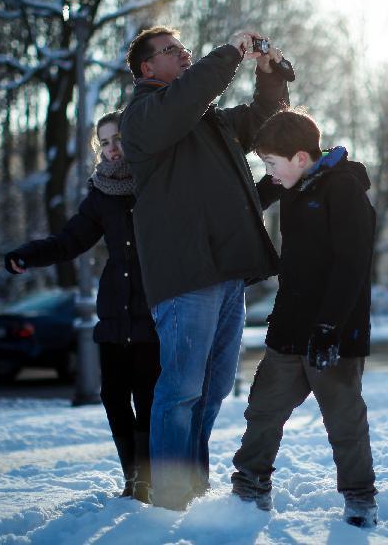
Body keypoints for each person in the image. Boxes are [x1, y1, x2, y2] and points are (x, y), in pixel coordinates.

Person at [119, 26, 290, 510]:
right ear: (147, 69)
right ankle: (168, 493)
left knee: (212, 391)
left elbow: (260, 121)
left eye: (184, 49)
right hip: (185, 276)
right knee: (181, 390)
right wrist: (230, 53)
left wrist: (269, 75)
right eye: (172, 51)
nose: (184, 56)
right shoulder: (142, 117)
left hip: (226, 271)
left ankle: (190, 488)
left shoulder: (208, 120)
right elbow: (186, 99)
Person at [230, 108, 379, 528]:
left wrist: (330, 327)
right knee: (263, 409)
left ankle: (360, 501)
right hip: (290, 328)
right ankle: (249, 487)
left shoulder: (345, 190)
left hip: (335, 333)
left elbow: (352, 265)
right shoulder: (293, 186)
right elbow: (254, 198)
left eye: (272, 164)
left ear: (299, 157)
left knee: (343, 420)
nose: (269, 173)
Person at [3, 111, 159, 503]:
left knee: (148, 398)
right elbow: (68, 241)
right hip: (113, 314)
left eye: (119, 138)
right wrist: (27, 254)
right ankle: (132, 478)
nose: (112, 148)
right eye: (104, 142)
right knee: (113, 397)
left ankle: (146, 481)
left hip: (153, 312)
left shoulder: (158, 182)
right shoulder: (101, 196)